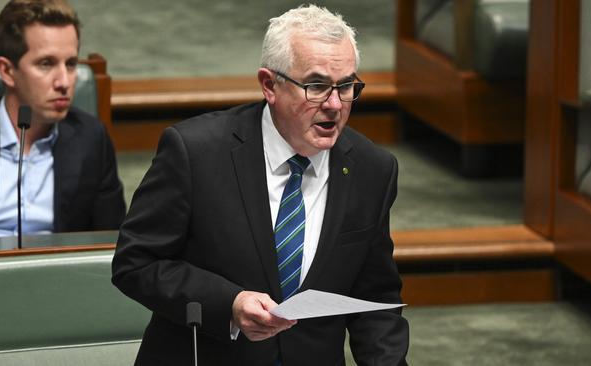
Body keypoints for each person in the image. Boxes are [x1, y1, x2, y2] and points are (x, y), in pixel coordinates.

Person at [112, 5, 409, 365]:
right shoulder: (197, 153)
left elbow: (374, 300)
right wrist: (229, 305)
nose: (334, 104)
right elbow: (136, 262)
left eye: (346, 86)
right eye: (315, 86)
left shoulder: (371, 169)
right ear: (270, 84)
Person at [0, 0, 126, 237]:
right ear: (7, 71)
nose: (64, 82)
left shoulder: (91, 138)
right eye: (46, 64)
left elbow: (111, 239)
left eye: (70, 64)